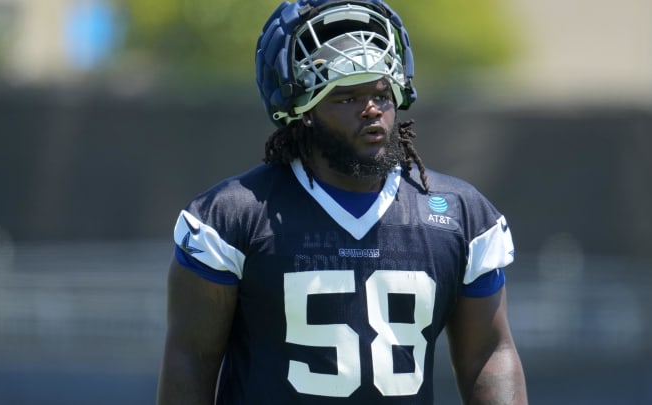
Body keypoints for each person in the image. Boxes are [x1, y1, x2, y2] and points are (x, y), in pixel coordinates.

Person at [157, 0, 528, 404]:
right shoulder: (234, 216)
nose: (371, 111)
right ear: (304, 111)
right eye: (346, 97)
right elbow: (191, 357)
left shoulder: (460, 215)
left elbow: (489, 353)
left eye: (381, 93)